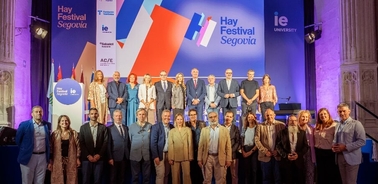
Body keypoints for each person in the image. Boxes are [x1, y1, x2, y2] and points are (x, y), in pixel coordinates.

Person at [16, 106, 51, 184]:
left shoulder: (47, 125)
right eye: (36, 112)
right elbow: (18, 140)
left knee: (40, 181)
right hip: (28, 157)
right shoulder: (24, 125)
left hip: (43, 157)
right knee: (27, 181)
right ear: (32, 114)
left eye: (40, 111)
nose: (39, 113)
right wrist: (26, 149)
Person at [332, 103, 366, 184]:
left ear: (349, 111)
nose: (342, 113)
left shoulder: (356, 124)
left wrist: (346, 147)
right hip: (340, 157)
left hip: (352, 157)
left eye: (344, 111)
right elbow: (335, 140)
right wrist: (333, 146)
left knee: (351, 182)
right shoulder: (338, 125)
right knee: (344, 182)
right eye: (340, 111)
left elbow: (362, 141)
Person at [198, 111, 232, 184]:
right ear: (208, 119)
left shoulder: (224, 130)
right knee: (207, 180)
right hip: (207, 157)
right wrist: (199, 159)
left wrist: (229, 159)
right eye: (211, 117)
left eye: (214, 117)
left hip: (220, 157)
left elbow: (228, 146)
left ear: (218, 117)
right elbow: (201, 146)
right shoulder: (204, 130)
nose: (213, 119)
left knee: (221, 180)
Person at [255, 108, 285, 184]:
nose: (269, 117)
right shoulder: (260, 126)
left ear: (274, 115)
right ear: (265, 116)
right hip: (265, 156)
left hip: (277, 156)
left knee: (278, 179)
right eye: (267, 115)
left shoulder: (281, 125)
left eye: (271, 115)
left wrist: (278, 151)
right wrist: (265, 151)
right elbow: (257, 140)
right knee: (266, 179)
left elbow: (284, 141)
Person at [79, 108, 109, 184]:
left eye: (95, 113)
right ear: (89, 115)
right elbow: (81, 143)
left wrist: (99, 155)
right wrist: (88, 156)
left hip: (99, 158)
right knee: (86, 180)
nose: (94, 115)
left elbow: (105, 142)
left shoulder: (103, 127)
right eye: (92, 114)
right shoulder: (83, 128)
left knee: (98, 180)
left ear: (98, 115)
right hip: (86, 159)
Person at [276, 115, 308, 184]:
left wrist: (298, 155)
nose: (293, 122)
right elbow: (278, 146)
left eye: (295, 120)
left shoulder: (302, 133)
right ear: (287, 122)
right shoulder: (281, 133)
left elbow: (305, 146)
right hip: (286, 162)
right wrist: (286, 155)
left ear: (297, 122)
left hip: (298, 162)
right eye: (291, 120)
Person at [48, 115, 80, 184]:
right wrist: (50, 161)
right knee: (57, 178)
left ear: (69, 122)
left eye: (66, 120)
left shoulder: (73, 133)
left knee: (72, 178)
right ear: (59, 123)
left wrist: (77, 158)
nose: (64, 122)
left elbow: (78, 146)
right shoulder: (55, 134)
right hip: (57, 160)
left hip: (71, 159)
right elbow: (50, 147)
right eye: (62, 121)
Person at [314, 108, 341, 184]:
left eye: (325, 114)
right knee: (321, 174)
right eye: (321, 114)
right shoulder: (317, 126)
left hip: (329, 153)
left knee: (331, 173)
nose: (323, 115)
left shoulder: (334, 125)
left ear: (328, 115)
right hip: (319, 153)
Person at [129, 108, 152, 184]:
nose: (141, 116)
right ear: (136, 116)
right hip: (135, 156)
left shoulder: (150, 126)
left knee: (147, 177)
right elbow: (129, 141)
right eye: (140, 114)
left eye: (143, 114)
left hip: (146, 155)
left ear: (146, 116)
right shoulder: (131, 127)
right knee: (135, 177)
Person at [168, 113, 193, 184]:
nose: (179, 121)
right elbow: (170, 145)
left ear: (183, 120)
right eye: (178, 119)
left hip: (186, 156)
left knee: (187, 175)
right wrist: (170, 158)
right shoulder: (172, 131)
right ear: (175, 120)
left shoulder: (188, 129)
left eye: (181, 119)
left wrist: (190, 156)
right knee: (175, 176)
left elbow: (190, 143)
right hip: (175, 156)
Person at [150, 110, 174, 184]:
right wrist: (155, 156)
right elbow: (153, 143)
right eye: (165, 116)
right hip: (160, 154)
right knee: (160, 174)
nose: (167, 117)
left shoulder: (172, 127)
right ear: (162, 116)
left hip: (169, 154)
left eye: (168, 116)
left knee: (166, 174)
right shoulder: (155, 127)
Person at [107, 110, 130, 184]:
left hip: (124, 157)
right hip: (114, 157)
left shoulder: (126, 128)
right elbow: (108, 144)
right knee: (113, 178)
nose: (118, 117)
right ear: (113, 117)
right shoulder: (109, 129)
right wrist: (110, 157)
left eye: (120, 116)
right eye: (116, 116)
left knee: (122, 177)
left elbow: (128, 142)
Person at [185, 109, 206, 183]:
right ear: (189, 116)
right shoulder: (186, 125)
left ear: (197, 115)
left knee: (201, 172)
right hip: (191, 151)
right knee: (192, 171)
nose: (193, 116)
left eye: (194, 114)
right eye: (191, 115)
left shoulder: (202, 124)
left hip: (200, 151)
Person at [297, 110, 316, 184]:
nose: (305, 118)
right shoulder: (295, 127)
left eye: (306, 117)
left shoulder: (311, 128)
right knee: (299, 172)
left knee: (310, 172)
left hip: (309, 152)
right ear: (299, 117)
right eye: (303, 116)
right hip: (299, 152)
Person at [241, 112, 259, 184]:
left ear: (254, 118)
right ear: (247, 119)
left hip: (254, 149)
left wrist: (251, 152)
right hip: (245, 148)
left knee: (254, 170)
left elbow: (258, 141)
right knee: (247, 170)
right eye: (249, 117)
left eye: (252, 117)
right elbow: (241, 139)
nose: (250, 118)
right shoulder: (244, 128)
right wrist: (243, 151)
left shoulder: (257, 128)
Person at [223, 111, 241, 184]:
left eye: (230, 117)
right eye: (227, 116)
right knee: (222, 176)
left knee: (234, 175)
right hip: (222, 155)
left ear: (233, 118)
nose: (228, 118)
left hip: (233, 155)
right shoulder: (220, 127)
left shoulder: (235, 128)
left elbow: (238, 141)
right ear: (224, 116)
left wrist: (230, 151)